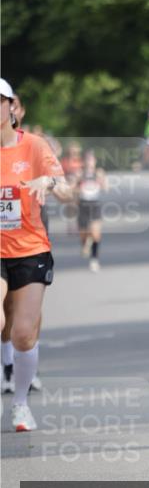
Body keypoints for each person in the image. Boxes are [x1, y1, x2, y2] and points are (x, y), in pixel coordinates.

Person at [0, 78, 73, 431]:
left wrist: (50, 182)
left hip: (30, 248)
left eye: (0, 101)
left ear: (11, 107)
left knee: (24, 334)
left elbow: (68, 193)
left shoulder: (34, 147)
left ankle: (20, 404)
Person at [1, 91, 44, 394]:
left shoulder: (32, 146)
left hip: (30, 238)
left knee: (23, 321)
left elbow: (63, 186)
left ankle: (24, 362)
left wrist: (49, 183)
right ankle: (6, 365)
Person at [76, 150, 108, 272]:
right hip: (83, 205)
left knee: (96, 234)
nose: (89, 162)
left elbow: (106, 188)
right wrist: (78, 189)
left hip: (95, 205)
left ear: (95, 161)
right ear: (83, 162)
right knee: (83, 235)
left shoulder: (99, 173)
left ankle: (94, 260)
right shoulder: (80, 174)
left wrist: (101, 182)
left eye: (92, 160)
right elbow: (72, 189)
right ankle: (85, 243)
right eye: (87, 160)